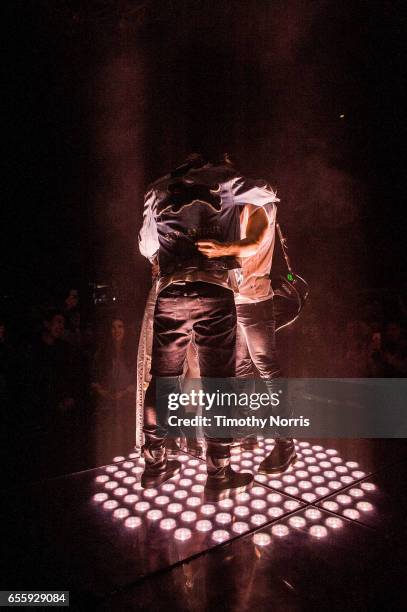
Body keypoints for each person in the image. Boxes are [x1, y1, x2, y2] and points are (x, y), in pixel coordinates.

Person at [139, 152, 276, 492]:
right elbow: (270, 192)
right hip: (214, 288)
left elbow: (146, 247)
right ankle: (218, 474)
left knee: (163, 378)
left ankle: (154, 464)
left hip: (171, 292)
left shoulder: (155, 189)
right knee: (219, 382)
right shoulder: (227, 180)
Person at [197, 192, 297, 473]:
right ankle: (245, 433)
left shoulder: (257, 200)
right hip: (235, 298)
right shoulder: (237, 203)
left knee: (267, 368)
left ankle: (286, 445)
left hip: (254, 299)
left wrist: (220, 249)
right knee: (241, 368)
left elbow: (253, 242)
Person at [91, 317, 137, 409]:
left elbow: (138, 378)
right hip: (107, 402)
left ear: (125, 329)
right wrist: (103, 392)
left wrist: (125, 392)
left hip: (128, 402)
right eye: (113, 327)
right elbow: (94, 377)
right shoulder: (102, 352)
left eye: (120, 327)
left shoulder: (133, 352)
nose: (117, 330)